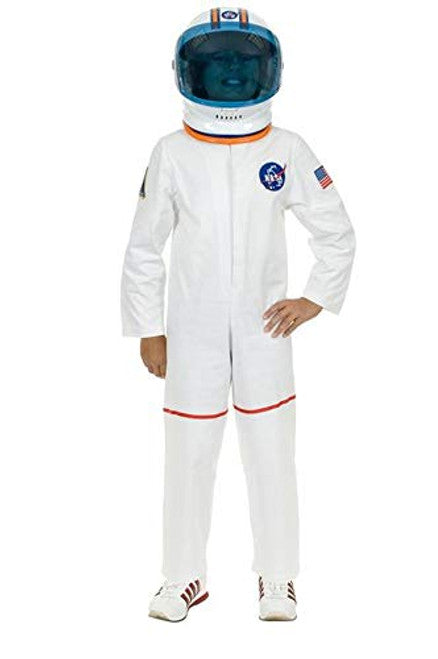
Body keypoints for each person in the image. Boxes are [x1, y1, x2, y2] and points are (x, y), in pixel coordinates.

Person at [121, 7, 355, 622]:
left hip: (264, 330)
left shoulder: (287, 148)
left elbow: (335, 230)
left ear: (267, 71)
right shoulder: (172, 152)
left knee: (271, 449)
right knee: (188, 450)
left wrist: (314, 298)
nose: (229, 74)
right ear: (187, 71)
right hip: (191, 331)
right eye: (217, 62)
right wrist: (150, 329)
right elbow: (144, 247)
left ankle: (277, 578)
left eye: (241, 63)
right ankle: (183, 577)